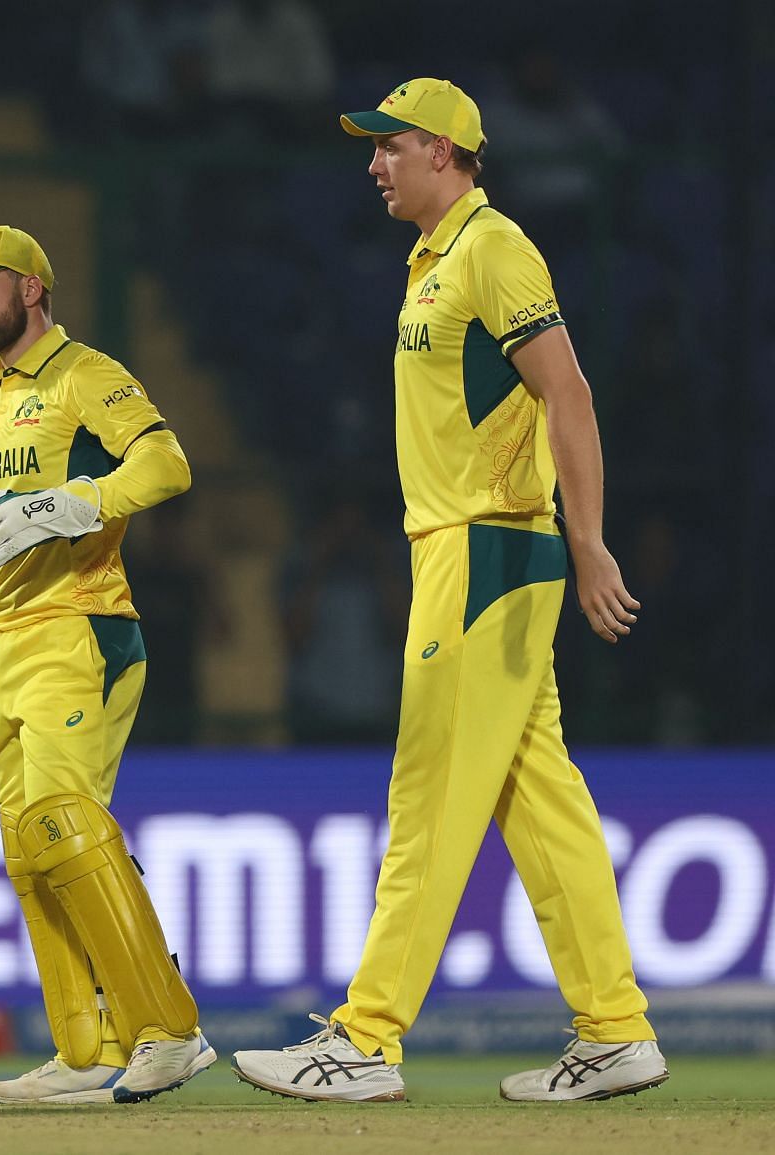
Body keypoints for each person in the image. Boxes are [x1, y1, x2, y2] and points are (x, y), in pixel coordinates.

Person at [230, 78, 667, 1103]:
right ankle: (616, 1031)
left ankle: (365, 1039)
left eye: (387, 147)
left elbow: (569, 392)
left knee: (427, 800)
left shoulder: (492, 248)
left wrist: (589, 539)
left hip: (485, 555)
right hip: (472, 556)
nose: (372, 164)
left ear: (441, 150)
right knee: (539, 801)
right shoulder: (435, 263)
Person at [0, 225, 208, 1104]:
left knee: (58, 821)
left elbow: (167, 462)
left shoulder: (87, 374)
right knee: (30, 849)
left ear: (32, 289)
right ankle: (86, 1052)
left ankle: (167, 1028)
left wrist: (73, 501)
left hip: (82, 628)